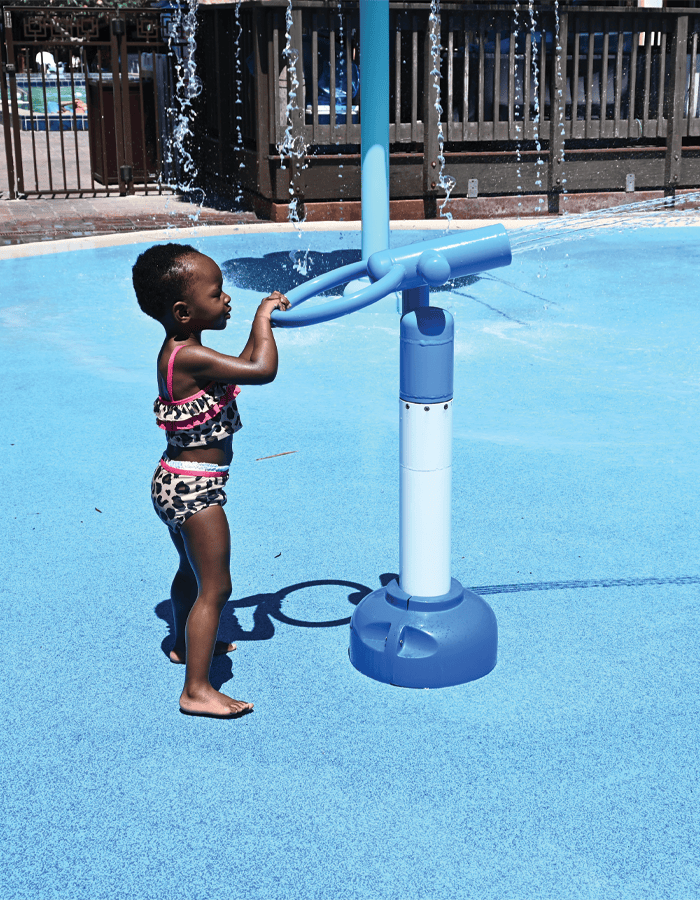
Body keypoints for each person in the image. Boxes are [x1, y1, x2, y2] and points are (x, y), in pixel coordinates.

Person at [132, 243, 290, 719]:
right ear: (183, 312)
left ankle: (183, 645)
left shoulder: (184, 352)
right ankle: (196, 689)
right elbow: (262, 369)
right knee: (216, 588)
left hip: (174, 480)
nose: (226, 300)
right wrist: (263, 317)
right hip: (196, 491)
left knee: (190, 573)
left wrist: (258, 327)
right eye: (217, 293)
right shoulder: (192, 357)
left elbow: (241, 364)